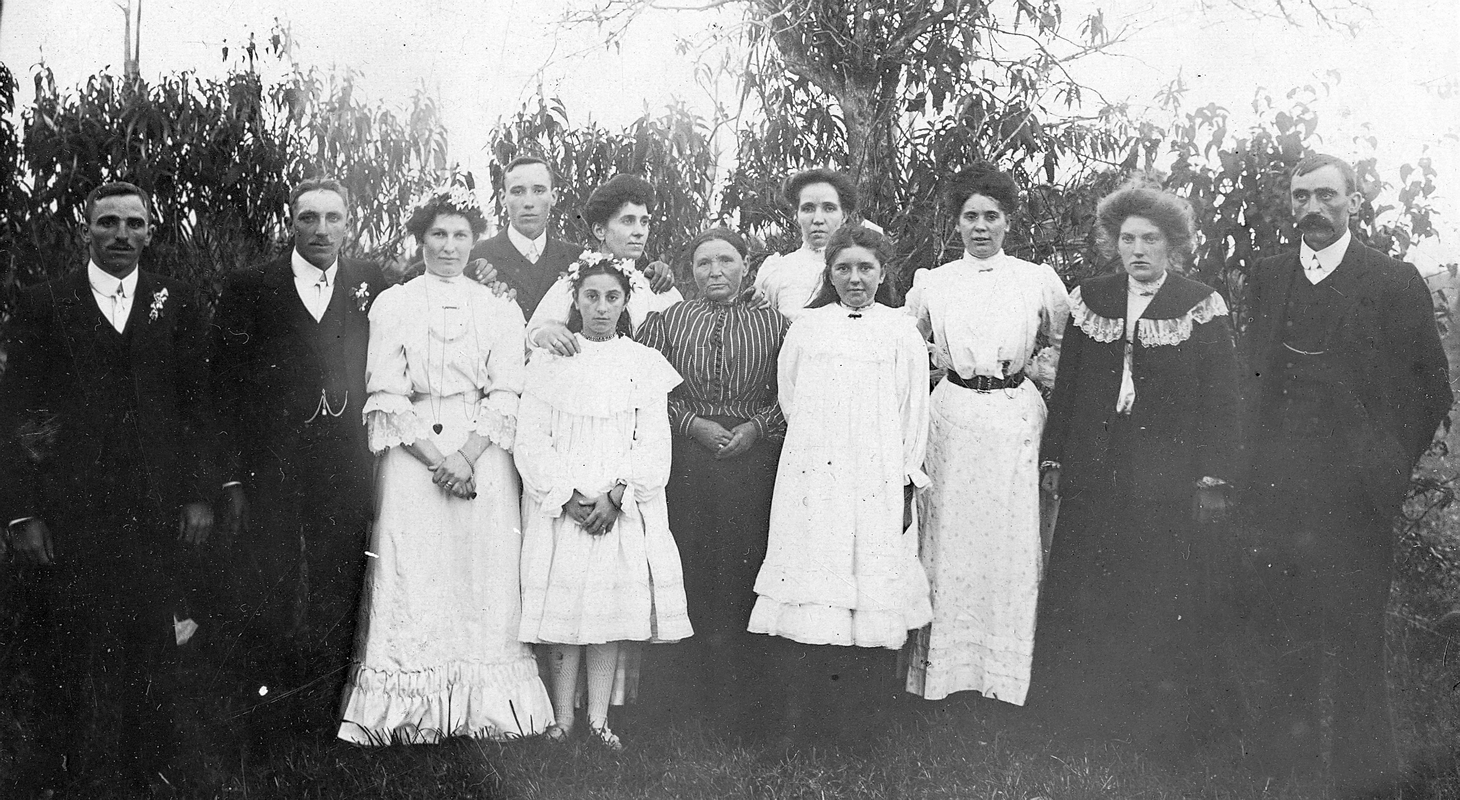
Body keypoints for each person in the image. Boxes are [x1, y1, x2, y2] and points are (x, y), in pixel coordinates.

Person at [1241, 154, 1451, 795]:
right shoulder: (1268, 277)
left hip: (1355, 500)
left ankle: (1368, 782)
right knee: (1282, 641)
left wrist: (1386, 469)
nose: (1313, 209)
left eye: (1327, 196)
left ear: (1353, 202)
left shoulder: (1393, 282)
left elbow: (1430, 390)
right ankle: (1291, 777)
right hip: (1276, 495)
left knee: (1356, 643)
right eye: (1301, 196)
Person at [0, 182, 217, 795]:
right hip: (74, 509)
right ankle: (77, 769)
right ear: (86, 230)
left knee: (153, 638)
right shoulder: (46, 304)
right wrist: (19, 514)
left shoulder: (174, 302)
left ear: (151, 232)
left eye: (134, 224)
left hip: (156, 506)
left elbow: (197, 406)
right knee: (76, 642)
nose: (121, 235)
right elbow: (14, 411)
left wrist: (199, 494)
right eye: (108, 223)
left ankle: (145, 768)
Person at [336, 187, 553, 744]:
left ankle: (490, 710)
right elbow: (384, 392)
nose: (449, 245)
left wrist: (467, 456)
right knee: (415, 573)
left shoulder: (499, 307)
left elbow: (508, 390)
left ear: (474, 240)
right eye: (438, 234)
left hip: (483, 454)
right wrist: (438, 460)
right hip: (414, 459)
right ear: (421, 239)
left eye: (460, 235)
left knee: (482, 574)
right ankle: (412, 713)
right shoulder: (394, 304)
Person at [1033, 181, 1239, 751]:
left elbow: (1222, 398)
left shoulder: (1198, 303)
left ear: (1173, 243)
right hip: (1096, 471)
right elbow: (1069, 388)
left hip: (1165, 479)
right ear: (1113, 243)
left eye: (1151, 238)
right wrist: (1055, 457)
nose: (1138, 250)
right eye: (1127, 239)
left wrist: (1213, 475)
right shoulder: (1090, 298)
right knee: (1088, 587)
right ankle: (1080, 718)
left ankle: (1156, 724)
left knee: (1157, 591)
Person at [211, 177, 387, 731]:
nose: (321, 230)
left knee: (342, 581)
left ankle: (331, 705)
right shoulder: (251, 286)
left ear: (347, 224)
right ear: (290, 223)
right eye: (309, 218)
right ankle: (269, 705)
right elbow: (223, 386)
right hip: (274, 464)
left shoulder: (370, 281)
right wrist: (231, 478)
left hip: (345, 464)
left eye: (333, 218)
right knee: (272, 580)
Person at [749, 224, 932, 744]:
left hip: (876, 475)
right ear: (829, 274)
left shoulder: (900, 330)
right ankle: (802, 721)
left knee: (869, 584)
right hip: (814, 473)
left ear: (882, 273)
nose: (855, 279)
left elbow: (912, 412)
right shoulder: (807, 326)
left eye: (866, 268)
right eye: (844, 269)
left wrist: (903, 482)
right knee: (815, 581)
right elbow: (790, 396)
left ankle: (861, 725)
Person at [902, 163, 1070, 707]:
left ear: (1008, 221)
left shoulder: (1036, 278)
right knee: (948, 540)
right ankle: (945, 677)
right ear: (956, 223)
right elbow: (905, 347)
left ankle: (1006, 678)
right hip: (951, 417)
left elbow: (1073, 341)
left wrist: (1044, 373)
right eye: (970, 217)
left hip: (1014, 415)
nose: (981, 227)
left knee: (1010, 542)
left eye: (991, 216)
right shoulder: (934, 282)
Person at [516, 256, 693, 750]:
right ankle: (561, 719)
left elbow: (653, 441)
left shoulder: (641, 363)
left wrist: (618, 495)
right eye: (590, 296)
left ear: (625, 302)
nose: (601, 307)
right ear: (574, 301)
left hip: (618, 506)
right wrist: (566, 494)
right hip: (564, 504)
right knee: (564, 608)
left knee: (607, 612)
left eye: (611, 297)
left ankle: (598, 720)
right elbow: (532, 438)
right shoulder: (549, 364)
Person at [636, 228, 789, 733]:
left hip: (754, 464)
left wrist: (756, 427)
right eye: (703, 263)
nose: (715, 271)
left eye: (726, 260)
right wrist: (693, 424)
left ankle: (743, 705)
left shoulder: (778, 326)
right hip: (687, 463)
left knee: (744, 573)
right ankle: (685, 705)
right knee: (691, 570)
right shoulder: (667, 322)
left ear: (747, 265)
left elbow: (795, 394)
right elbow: (640, 388)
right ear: (690, 271)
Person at [525, 174, 683, 356]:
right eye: (628, 221)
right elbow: (531, 336)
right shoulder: (572, 284)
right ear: (600, 230)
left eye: (644, 222)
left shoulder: (656, 288)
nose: (639, 232)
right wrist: (543, 334)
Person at [465, 156, 583, 318]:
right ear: (502, 197)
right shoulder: (474, 256)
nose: (528, 202)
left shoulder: (577, 259)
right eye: (517, 191)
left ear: (553, 197)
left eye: (539, 191)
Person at [752, 168, 856, 321]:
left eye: (829, 208)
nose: (818, 219)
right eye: (808, 209)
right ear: (796, 215)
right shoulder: (778, 269)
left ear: (844, 215)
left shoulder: (859, 268)